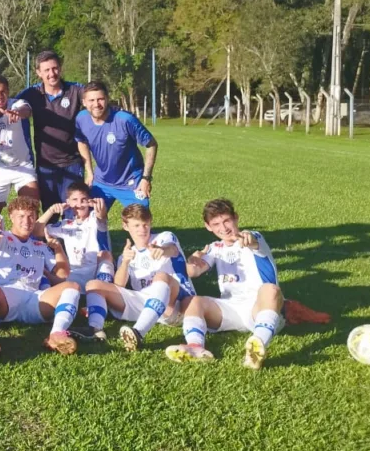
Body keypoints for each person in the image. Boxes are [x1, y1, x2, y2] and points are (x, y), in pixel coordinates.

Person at [166, 199, 284, 370]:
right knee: (193, 301)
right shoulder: (215, 247)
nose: (224, 228)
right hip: (231, 308)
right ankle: (195, 347)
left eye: (227, 220)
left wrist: (248, 240)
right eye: (216, 224)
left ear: (236, 218)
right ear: (208, 227)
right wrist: (193, 261)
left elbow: (252, 240)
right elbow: (193, 272)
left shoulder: (254, 236)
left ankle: (258, 344)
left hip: (259, 307)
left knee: (270, 290)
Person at [82, 204, 194, 351]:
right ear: (125, 226)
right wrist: (125, 263)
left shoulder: (164, 237)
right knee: (93, 285)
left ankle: (138, 332)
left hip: (176, 304)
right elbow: (118, 285)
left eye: (145, 224)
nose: (142, 230)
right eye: (136, 225)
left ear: (150, 223)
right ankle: (95, 329)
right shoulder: (128, 253)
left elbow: (172, 249)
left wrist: (162, 250)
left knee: (161, 277)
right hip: (146, 304)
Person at [0, 197, 81, 354]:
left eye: (31, 216)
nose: (26, 221)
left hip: (34, 298)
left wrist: (58, 248)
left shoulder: (39, 245)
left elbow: (62, 275)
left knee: (73, 286)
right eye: (21, 216)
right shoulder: (4, 238)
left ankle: (56, 334)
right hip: (7, 297)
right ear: (11, 217)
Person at [15, 51, 85, 208]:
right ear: (39, 73)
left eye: (54, 68)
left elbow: (94, 96)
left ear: (60, 68)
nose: (51, 74)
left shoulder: (74, 90)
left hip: (72, 162)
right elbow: (8, 103)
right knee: (50, 211)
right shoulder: (32, 94)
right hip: (45, 165)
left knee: (73, 209)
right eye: (46, 70)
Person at [75, 80, 157, 211]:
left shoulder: (124, 119)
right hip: (101, 182)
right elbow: (81, 141)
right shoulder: (81, 118)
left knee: (140, 221)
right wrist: (89, 173)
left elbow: (151, 144)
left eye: (100, 99)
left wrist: (146, 178)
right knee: (90, 220)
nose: (96, 104)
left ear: (107, 99)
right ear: (84, 102)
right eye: (91, 100)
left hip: (131, 182)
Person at [35, 182, 115, 289]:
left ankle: (103, 289)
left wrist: (99, 206)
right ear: (68, 202)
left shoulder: (94, 218)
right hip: (75, 272)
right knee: (49, 273)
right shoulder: (66, 225)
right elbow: (36, 231)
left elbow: (101, 214)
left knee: (105, 256)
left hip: (97, 269)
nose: (79, 204)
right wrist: (51, 211)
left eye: (83, 200)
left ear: (89, 200)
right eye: (75, 200)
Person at [0, 75, 38, 210]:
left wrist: (17, 112)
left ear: (8, 92)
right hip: (1, 167)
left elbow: (27, 110)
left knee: (30, 210)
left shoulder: (15, 104)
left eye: (3, 91)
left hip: (24, 166)